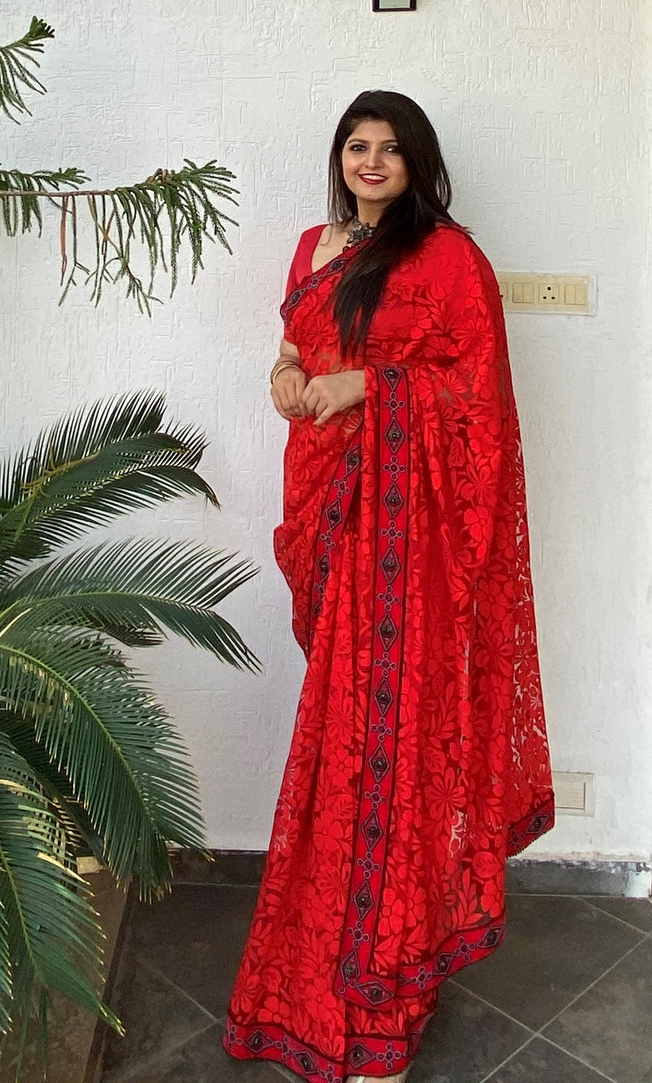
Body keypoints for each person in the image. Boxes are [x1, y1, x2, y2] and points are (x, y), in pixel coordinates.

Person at [223, 92, 554, 1082]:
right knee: (338, 739)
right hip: (334, 521)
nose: (371, 160)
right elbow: (294, 350)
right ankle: (322, 951)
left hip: (408, 548)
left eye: (389, 147)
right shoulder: (310, 247)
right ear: (340, 158)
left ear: (417, 163)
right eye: (356, 145)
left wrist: (370, 385)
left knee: (395, 742)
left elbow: (477, 393)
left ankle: (389, 980)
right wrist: (285, 376)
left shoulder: (449, 260)